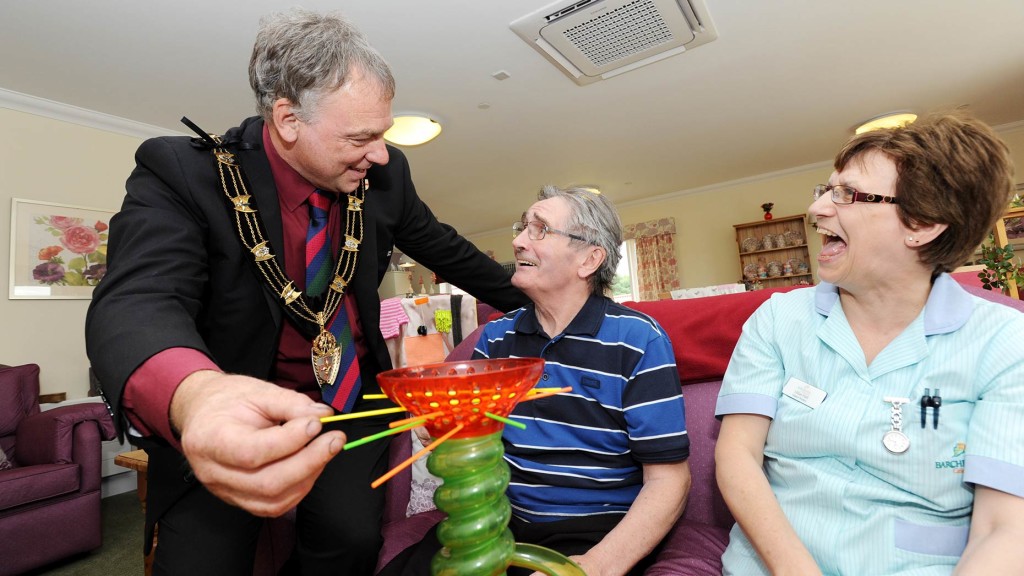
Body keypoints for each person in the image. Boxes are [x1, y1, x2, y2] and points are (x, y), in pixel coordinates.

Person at [85, 9, 526, 576]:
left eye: (384, 134)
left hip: (350, 404)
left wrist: (541, 298)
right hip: (233, 405)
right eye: (362, 137)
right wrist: (198, 398)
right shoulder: (182, 172)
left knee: (349, 543)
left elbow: (448, 250)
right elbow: (137, 299)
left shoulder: (386, 178)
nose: (381, 153)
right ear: (288, 119)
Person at [714, 112, 1024, 575]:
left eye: (846, 194)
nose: (818, 210)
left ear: (921, 223)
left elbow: (1003, 529)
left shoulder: (1003, 343)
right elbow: (737, 455)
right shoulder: (779, 319)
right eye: (825, 191)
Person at [382, 185, 691, 576]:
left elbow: (669, 480)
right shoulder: (495, 337)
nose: (517, 242)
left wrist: (595, 565)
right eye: (522, 227)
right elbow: (469, 439)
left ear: (589, 259)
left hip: (593, 531)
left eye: (540, 229)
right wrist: (443, 431)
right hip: (497, 520)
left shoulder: (638, 338)